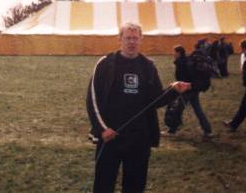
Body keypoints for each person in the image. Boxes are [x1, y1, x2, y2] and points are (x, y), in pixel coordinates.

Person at [86, 22, 191, 193]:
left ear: (141, 39)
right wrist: (102, 129)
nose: (131, 42)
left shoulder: (148, 65)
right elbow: (92, 99)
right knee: (103, 185)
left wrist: (173, 91)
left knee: (135, 186)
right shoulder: (105, 63)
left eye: (135, 38)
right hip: (110, 136)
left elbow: (154, 99)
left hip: (139, 137)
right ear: (120, 39)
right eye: (127, 38)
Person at [161, 45, 213, 138]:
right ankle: (207, 130)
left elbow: (182, 78)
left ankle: (172, 130)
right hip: (194, 88)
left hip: (186, 90)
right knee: (197, 110)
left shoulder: (181, 62)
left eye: (174, 52)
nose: (173, 54)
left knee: (177, 109)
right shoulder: (188, 60)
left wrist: (178, 85)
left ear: (178, 53)